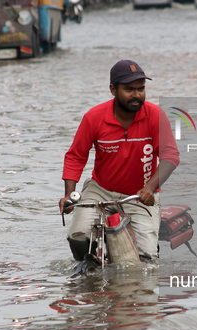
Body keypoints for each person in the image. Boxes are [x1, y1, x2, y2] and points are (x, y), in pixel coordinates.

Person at [58, 60, 180, 261]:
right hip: (100, 190)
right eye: (129, 89)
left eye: (141, 89)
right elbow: (75, 156)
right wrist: (69, 195)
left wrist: (150, 188)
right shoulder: (94, 117)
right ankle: (88, 277)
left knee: (146, 259)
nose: (137, 95)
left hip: (140, 194)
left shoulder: (155, 116)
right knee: (78, 238)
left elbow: (170, 156)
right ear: (113, 90)